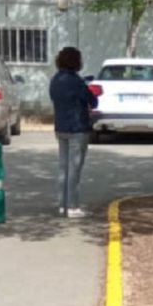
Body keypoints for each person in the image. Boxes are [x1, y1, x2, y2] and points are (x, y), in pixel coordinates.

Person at [49, 47, 98, 218]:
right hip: (78, 128)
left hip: (60, 127)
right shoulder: (77, 82)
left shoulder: (55, 80)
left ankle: (62, 204)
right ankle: (72, 206)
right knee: (74, 169)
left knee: (63, 167)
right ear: (76, 62)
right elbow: (93, 102)